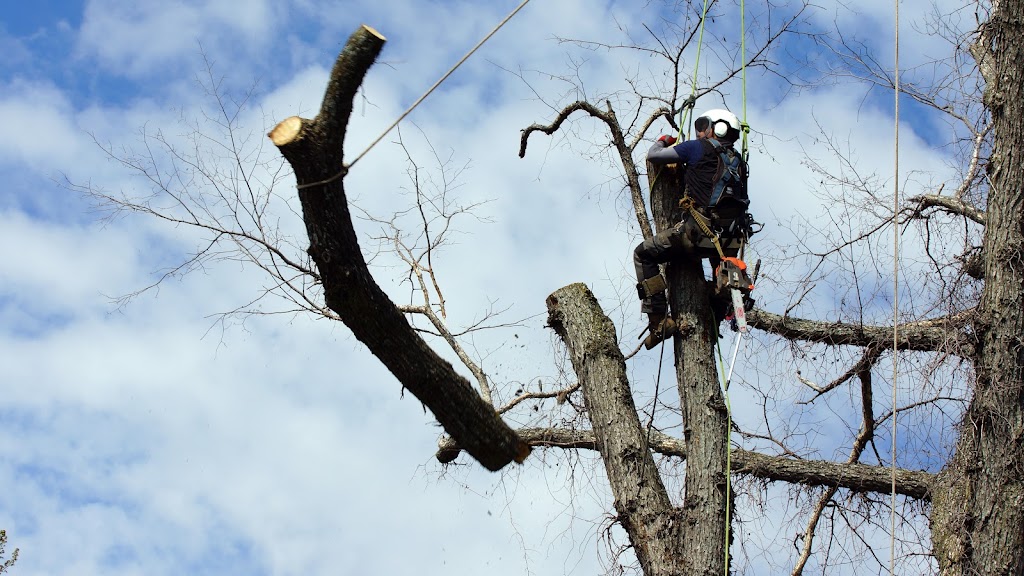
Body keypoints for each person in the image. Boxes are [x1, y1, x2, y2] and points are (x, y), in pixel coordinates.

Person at [634, 108, 750, 349]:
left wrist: (663, 140)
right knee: (721, 266)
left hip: (696, 236)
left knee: (643, 253)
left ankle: (658, 321)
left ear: (715, 128)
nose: (699, 132)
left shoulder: (698, 148)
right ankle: (720, 303)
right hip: (728, 241)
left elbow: (654, 156)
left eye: (702, 125)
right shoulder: (739, 162)